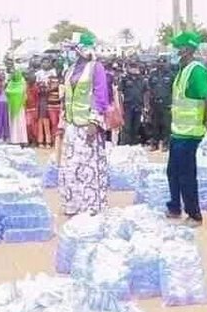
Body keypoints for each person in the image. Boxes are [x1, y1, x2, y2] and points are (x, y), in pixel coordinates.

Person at [165, 31, 207, 227]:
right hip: (178, 131)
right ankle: (175, 206)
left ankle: (194, 214)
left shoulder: (196, 71)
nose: (173, 50)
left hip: (190, 133)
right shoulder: (182, 70)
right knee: (173, 171)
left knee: (186, 174)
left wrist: (205, 119)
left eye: (176, 47)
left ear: (186, 49)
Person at [57, 32, 109, 216]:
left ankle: (91, 207)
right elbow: (65, 98)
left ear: (81, 49)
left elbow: (101, 96)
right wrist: (62, 123)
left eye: (72, 49)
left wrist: (94, 121)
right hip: (72, 125)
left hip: (87, 125)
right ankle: (74, 204)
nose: (70, 53)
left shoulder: (96, 68)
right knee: (71, 167)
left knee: (88, 167)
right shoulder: (70, 70)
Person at [120, 61, 147, 145]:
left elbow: (146, 93)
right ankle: (125, 144)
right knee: (127, 127)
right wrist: (120, 107)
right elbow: (120, 93)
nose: (133, 69)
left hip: (138, 106)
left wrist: (146, 106)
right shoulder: (124, 79)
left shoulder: (142, 79)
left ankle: (134, 143)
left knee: (136, 126)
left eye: (135, 66)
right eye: (132, 66)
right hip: (127, 106)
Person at [5, 70, 29, 146]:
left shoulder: (23, 83)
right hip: (11, 107)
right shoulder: (10, 83)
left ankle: (22, 140)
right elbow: (6, 92)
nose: (14, 75)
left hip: (19, 107)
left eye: (16, 73)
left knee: (20, 123)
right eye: (13, 74)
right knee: (12, 123)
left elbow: (24, 94)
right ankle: (13, 139)